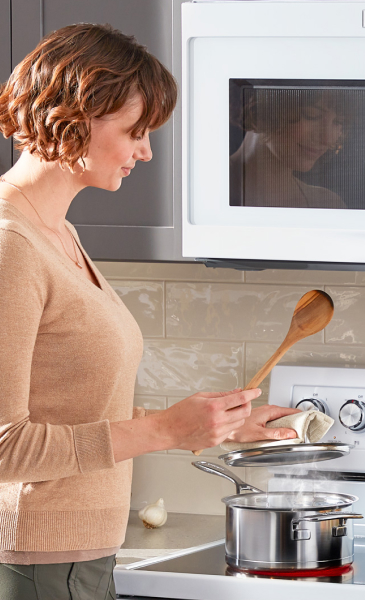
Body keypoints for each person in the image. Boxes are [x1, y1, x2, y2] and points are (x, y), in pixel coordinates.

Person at [0, 23, 300, 599]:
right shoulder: (12, 245)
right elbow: (5, 444)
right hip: (33, 563)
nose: (146, 150)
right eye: (135, 131)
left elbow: (75, 405)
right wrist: (164, 428)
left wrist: (215, 428)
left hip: (76, 558)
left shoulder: (57, 233)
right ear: (76, 115)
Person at [230, 89, 348, 208]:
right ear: (263, 108)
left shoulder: (329, 204)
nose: (327, 139)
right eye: (312, 115)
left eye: (338, 122)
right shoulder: (213, 187)